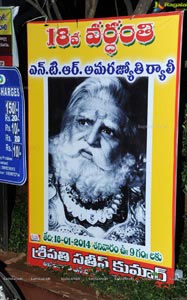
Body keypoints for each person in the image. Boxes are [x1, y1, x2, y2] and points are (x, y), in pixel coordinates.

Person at [48, 77, 147, 245]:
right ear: (67, 127)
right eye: (84, 122)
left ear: (124, 150)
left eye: (108, 131)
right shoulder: (44, 189)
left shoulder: (142, 203)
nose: (91, 138)